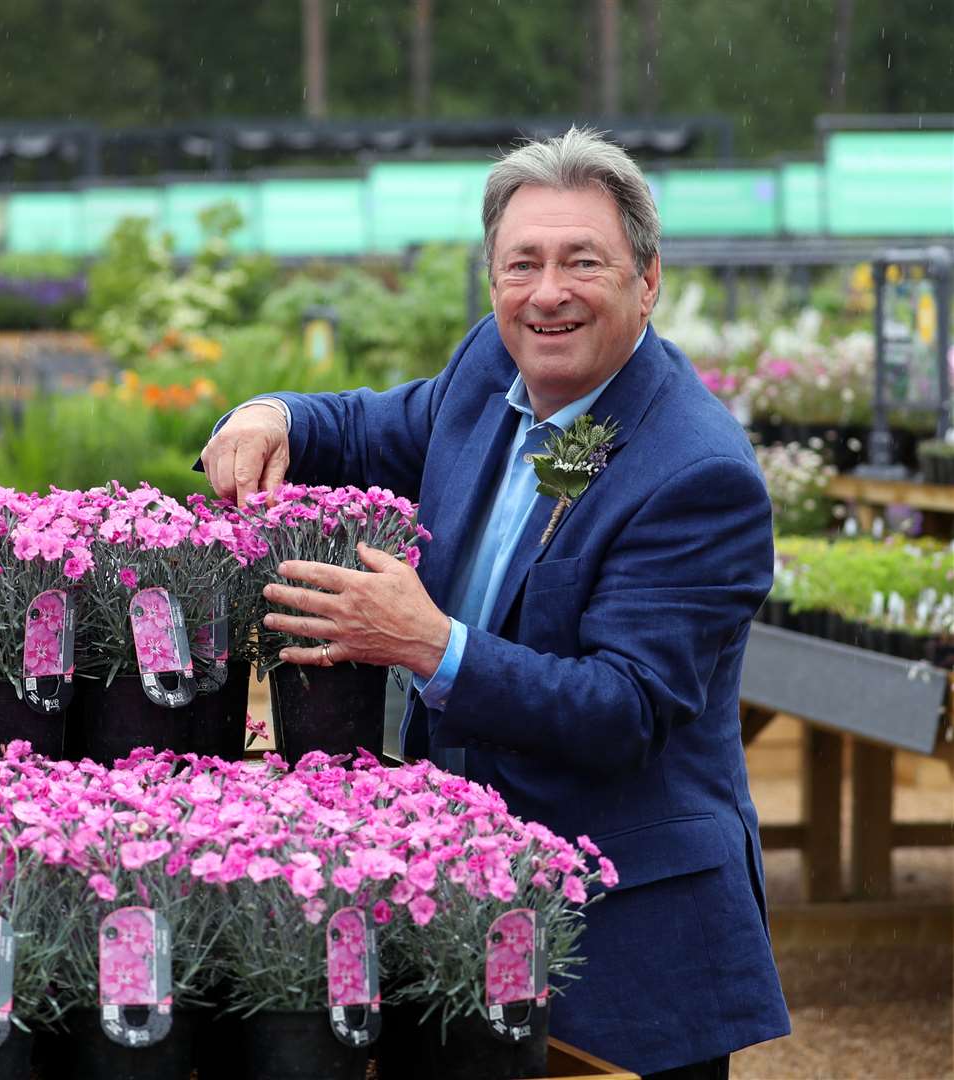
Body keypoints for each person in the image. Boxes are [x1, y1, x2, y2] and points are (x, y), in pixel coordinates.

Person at [199, 127, 789, 1079]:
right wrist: (269, 414)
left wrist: (432, 647)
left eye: (582, 261)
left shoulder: (695, 474)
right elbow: (371, 424)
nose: (547, 292)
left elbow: (624, 709)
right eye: (523, 263)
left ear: (647, 281)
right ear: (493, 280)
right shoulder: (495, 374)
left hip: (619, 936)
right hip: (467, 910)